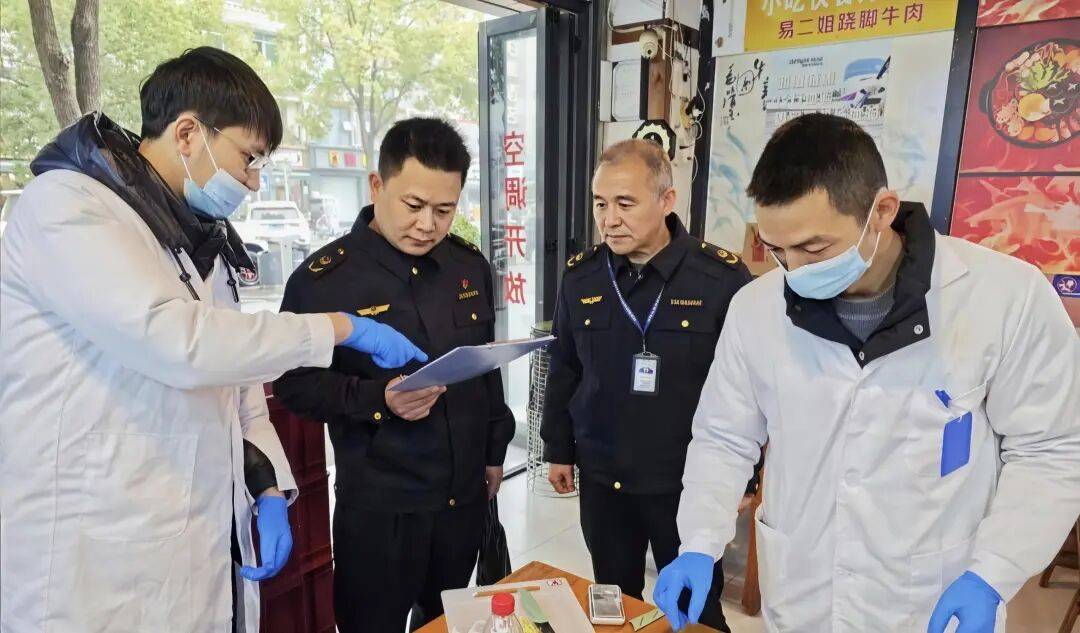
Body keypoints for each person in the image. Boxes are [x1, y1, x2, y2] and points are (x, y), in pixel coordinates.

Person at [0, 47, 424, 633]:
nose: (253, 180)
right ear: (187, 133)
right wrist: (339, 327)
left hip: (191, 542)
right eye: (249, 158)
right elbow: (181, 344)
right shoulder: (69, 208)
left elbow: (239, 382)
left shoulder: (197, 241)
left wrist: (268, 485)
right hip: (89, 563)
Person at [654, 113, 1080, 632]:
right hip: (804, 596)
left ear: (881, 211)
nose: (795, 270)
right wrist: (699, 542)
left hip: (931, 601)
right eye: (777, 250)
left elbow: (1050, 450)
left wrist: (993, 572)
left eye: (814, 248)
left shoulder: (1004, 297)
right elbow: (724, 437)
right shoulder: (755, 308)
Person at [272, 117, 516, 633]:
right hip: (381, 511)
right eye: (414, 205)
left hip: (461, 502)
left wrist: (495, 449)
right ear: (376, 186)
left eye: (444, 210)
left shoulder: (467, 267)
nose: (428, 224)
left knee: (445, 622)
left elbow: (483, 368)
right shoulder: (324, 282)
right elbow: (294, 386)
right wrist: (377, 399)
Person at [540, 139, 756, 632]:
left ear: (666, 200)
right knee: (614, 601)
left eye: (625, 203)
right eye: (600, 204)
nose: (609, 220)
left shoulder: (719, 277)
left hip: (684, 480)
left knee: (695, 608)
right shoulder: (581, 276)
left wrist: (746, 477)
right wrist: (559, 450)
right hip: (604, 475)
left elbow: (748, 386)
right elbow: (565, 367)